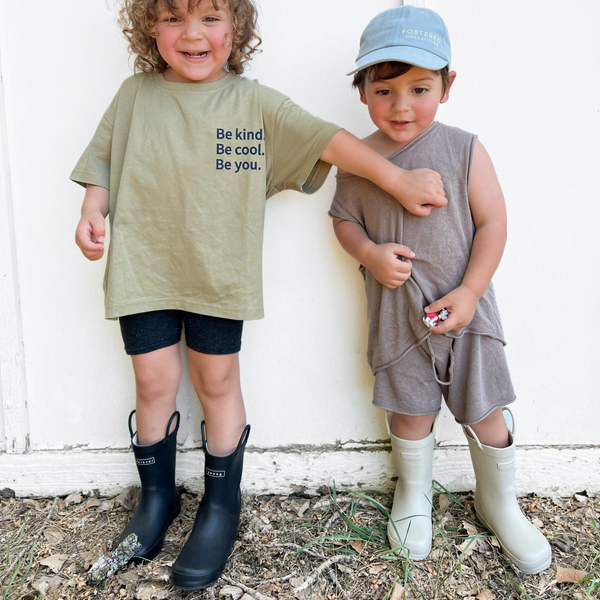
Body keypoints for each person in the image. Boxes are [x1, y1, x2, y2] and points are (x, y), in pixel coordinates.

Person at [71, 0, 447, 591]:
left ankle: (221, 510)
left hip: (218, 275)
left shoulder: (255, 104)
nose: (192, 34)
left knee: (216, 383)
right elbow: (102, 164)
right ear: (150, 29)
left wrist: (396, 179)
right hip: (143, 268)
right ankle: (156, 502)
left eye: (210, 18)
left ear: (236, 28)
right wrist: (94, 208)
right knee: (152, 382)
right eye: (172, 18)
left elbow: (328, 140)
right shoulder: (133, 95)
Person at [329, 6, 552, 573]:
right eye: (384, 90)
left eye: (420, 88)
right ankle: (414, 494)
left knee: (488, 414)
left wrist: (472, 291)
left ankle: (498, 502)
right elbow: (344, 221)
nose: (401, 106)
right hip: (397, 319)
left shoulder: (465, 149)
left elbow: (494, 223)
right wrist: (370, 255)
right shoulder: (357, 163)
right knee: (411, 411)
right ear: (361, 91)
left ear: (448, 86)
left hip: (466, 314)